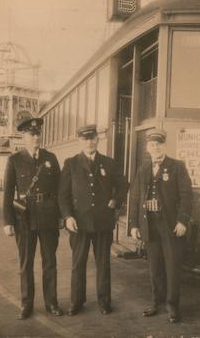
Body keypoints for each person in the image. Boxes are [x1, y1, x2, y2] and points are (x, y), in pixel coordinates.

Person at [58, 124, 128, 316]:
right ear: (79, 141)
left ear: (98, 139)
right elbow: (62, 194)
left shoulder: (109, 163)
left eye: (92, 138)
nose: (89, 142)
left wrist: (117, 200)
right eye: (85, 138)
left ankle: (104, 301)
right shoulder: (70, 163)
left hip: (102, 222)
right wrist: (67, 216)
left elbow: (124, 185)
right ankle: (77, 301)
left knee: (103, 263)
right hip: (78, 223)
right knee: (78, 264)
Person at [2, 117, 65, 320]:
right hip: (24, 220)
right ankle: (26, 304)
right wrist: (8, 221)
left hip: (48, 218)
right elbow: (7, 193)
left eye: (38, 133)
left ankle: (51, 303)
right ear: (24, 136)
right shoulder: (14, 160)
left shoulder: (51, 158)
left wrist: (62, 216)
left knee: (50, 262)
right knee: (26, 263)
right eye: (31, 134)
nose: (35, 137)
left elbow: (60, 189)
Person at [128, 128, 192, 324]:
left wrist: (182, 221)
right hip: (149, 224)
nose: (155, 148)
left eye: (158, 144)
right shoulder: (143, 169)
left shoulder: (177, 166)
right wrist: (134, 224)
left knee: (172, 265)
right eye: (152, 145)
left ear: (164, 146)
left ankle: (172, 306)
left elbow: (186, 196)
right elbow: (136, 197)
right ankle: (157, 302)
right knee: (154, 266)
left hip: (170, 224)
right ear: (147, 147)